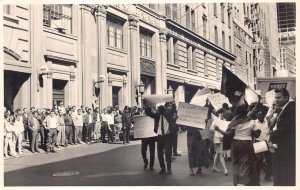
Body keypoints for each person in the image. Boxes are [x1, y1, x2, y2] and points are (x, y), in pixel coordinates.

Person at [215, 92, 261, 186]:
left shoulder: (234, 122)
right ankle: (246, 181)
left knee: (236, 163)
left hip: (236, 144)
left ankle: (237, 182)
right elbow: (257, 134)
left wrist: (218, 129)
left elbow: (228, 135)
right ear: (245, 112)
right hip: (248, 144)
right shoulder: (251, 121)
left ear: (236, 112)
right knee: (247, 163)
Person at [268, 88, 295, 186]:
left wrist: (270, 137)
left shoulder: (291, 110)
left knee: (285, 177)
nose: (276, 100)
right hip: (282, 148)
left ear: (286, 97)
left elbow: (285, 129)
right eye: (275, 97)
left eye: (278, 97)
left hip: (287, 150)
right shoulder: (283, 109)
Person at [252, 110, 271, 185]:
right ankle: (257, 177)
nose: (260, 117)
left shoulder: (267, 122)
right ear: (257, 116)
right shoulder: (254, 123)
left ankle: (268, 176)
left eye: (262, 116)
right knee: (258, 161)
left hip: (266, 142)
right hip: (258, 142)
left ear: (264, 116)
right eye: (259, 116)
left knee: (269, 160)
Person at [210, 109, 229, 176]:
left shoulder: (224, 121)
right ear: (218, 114)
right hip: (217, 138)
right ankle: (225, 169)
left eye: (222, 113)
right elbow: (211, 129)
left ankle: (214, 167)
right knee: (221, 154)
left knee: (218, 153)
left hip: (222, 138)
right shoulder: (216, 121)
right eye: (220, 114)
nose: (222, 115)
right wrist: (216, 131)